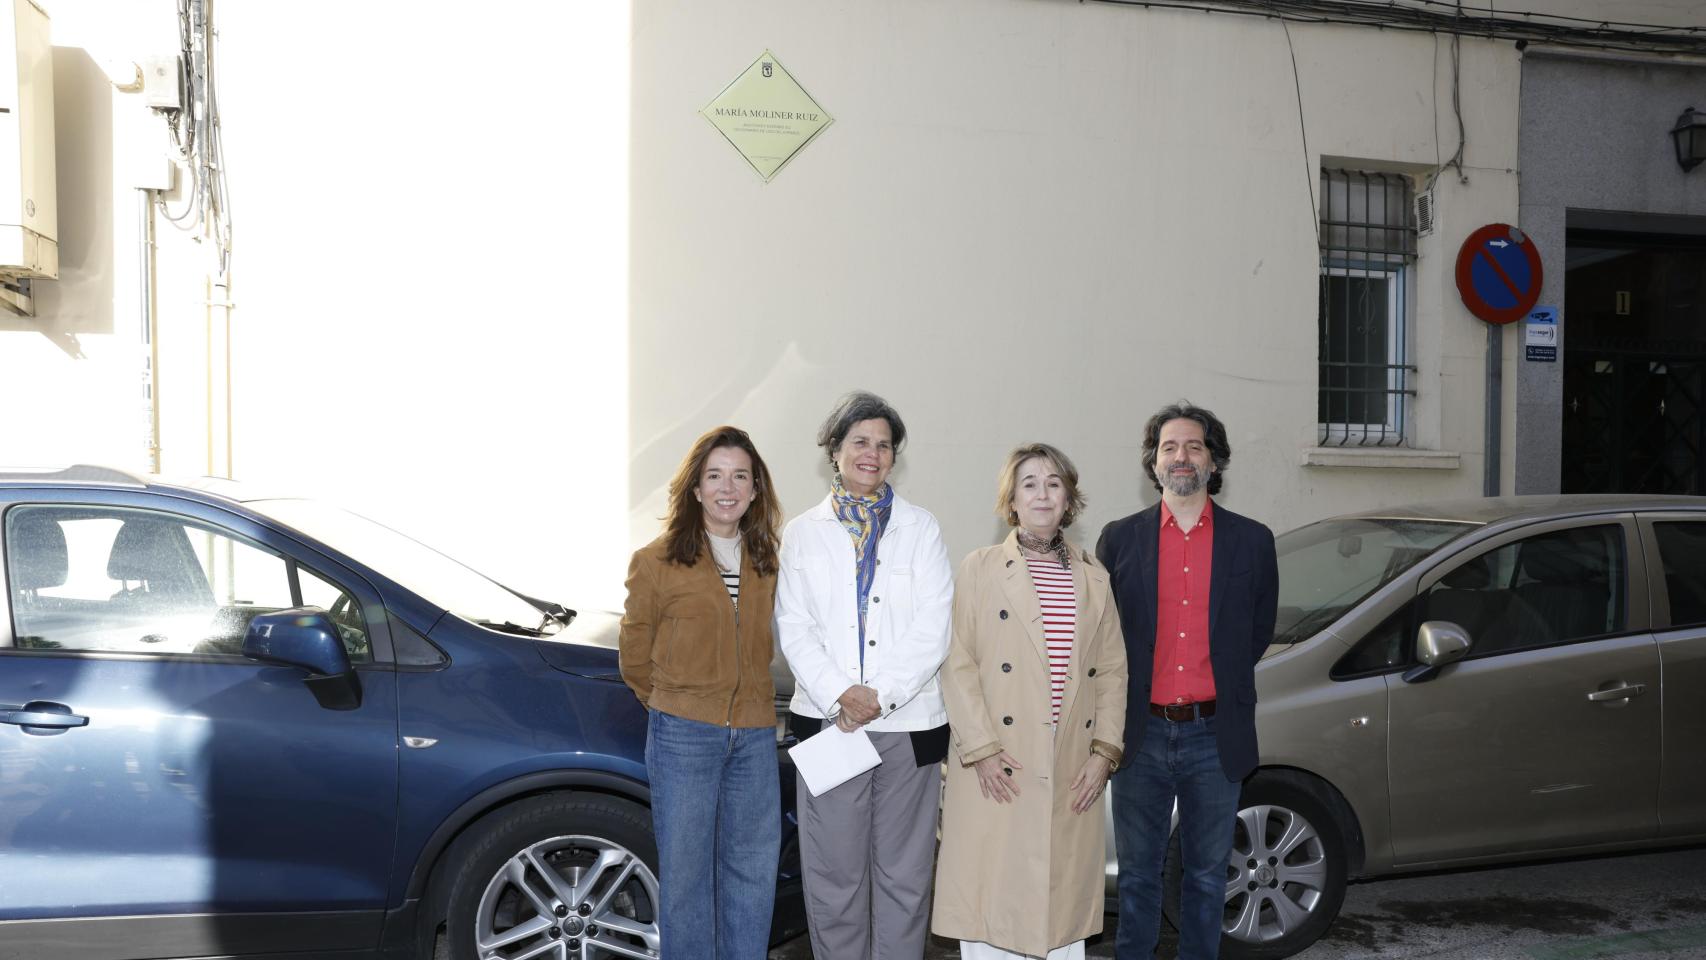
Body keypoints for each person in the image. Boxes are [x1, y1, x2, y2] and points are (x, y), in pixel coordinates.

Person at [1095, 401, 1278, 960]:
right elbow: (1105, 637)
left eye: (1194, 446)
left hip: (1212, 733)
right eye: (1169, 447)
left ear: (1213, 461)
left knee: (1203, 879)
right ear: (1154, 463)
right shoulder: (1119, 539)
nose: (1181, 456)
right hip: (1140, 735)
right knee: (1138, 879)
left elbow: (1257, 631)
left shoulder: (1251, 540)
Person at [775, 390, 954, 960]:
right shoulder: (802, 532)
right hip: (830, 728)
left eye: (884, 445)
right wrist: (841, 696)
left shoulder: (922, 528)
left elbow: (935, 624)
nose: (872, 454)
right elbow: (793, 625)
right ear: (835, 449)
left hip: (908, 724)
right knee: (834, 879)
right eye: (860, 442)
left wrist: (879, 695)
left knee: (904, 878)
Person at [933, 443, 1129, 960]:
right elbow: (958, 663)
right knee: (993, 905)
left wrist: (1103, 753)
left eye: (1053, 483)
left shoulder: (1094, 577)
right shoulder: (979, 568)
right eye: (1029, 483)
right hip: (999, 764)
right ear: (1011, 501)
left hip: (1070, 766)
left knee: (1058, 910)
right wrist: (982, 748)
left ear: (1068, 499)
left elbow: (1111, 670)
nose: (1042, 493)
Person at [619, 425, 784, 960]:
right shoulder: (656, 560)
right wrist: (676, 704)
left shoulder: (769, 560)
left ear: (756, 489)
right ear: (695, 488)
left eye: (740, 476)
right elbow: (634, 658)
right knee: (687, 878)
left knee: (752, 873)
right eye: (714, 476)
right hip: (684, 734)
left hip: (756, 733)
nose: (727, 487)